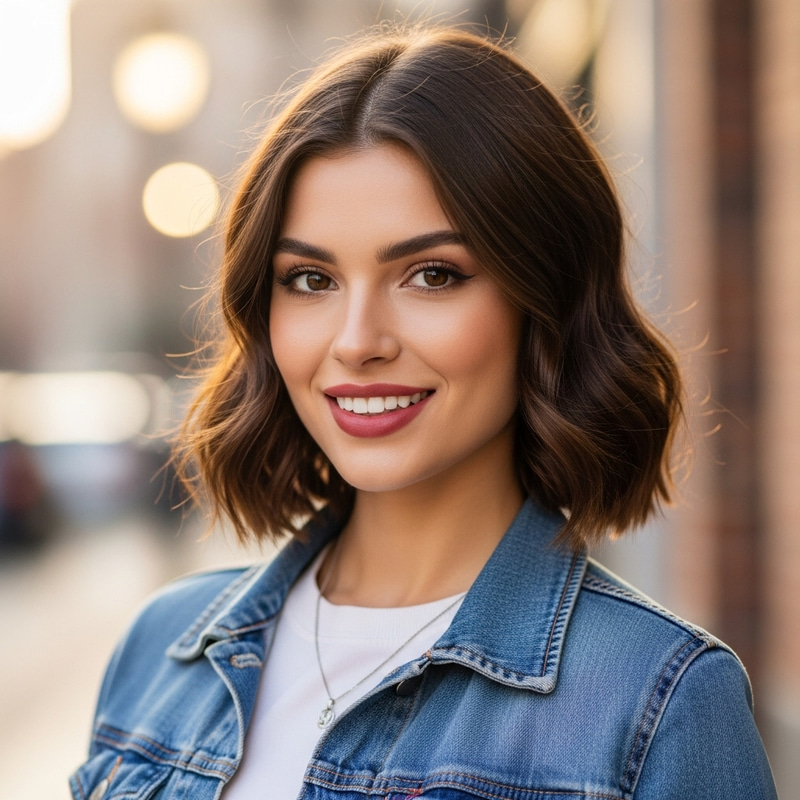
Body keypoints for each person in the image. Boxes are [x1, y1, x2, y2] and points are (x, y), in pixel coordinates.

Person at [72, 25, 778, 800]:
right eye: (311, 279)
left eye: (432, 275)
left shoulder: (660, 701)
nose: (357, 342)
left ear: (541, 299)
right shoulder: (159, 652)